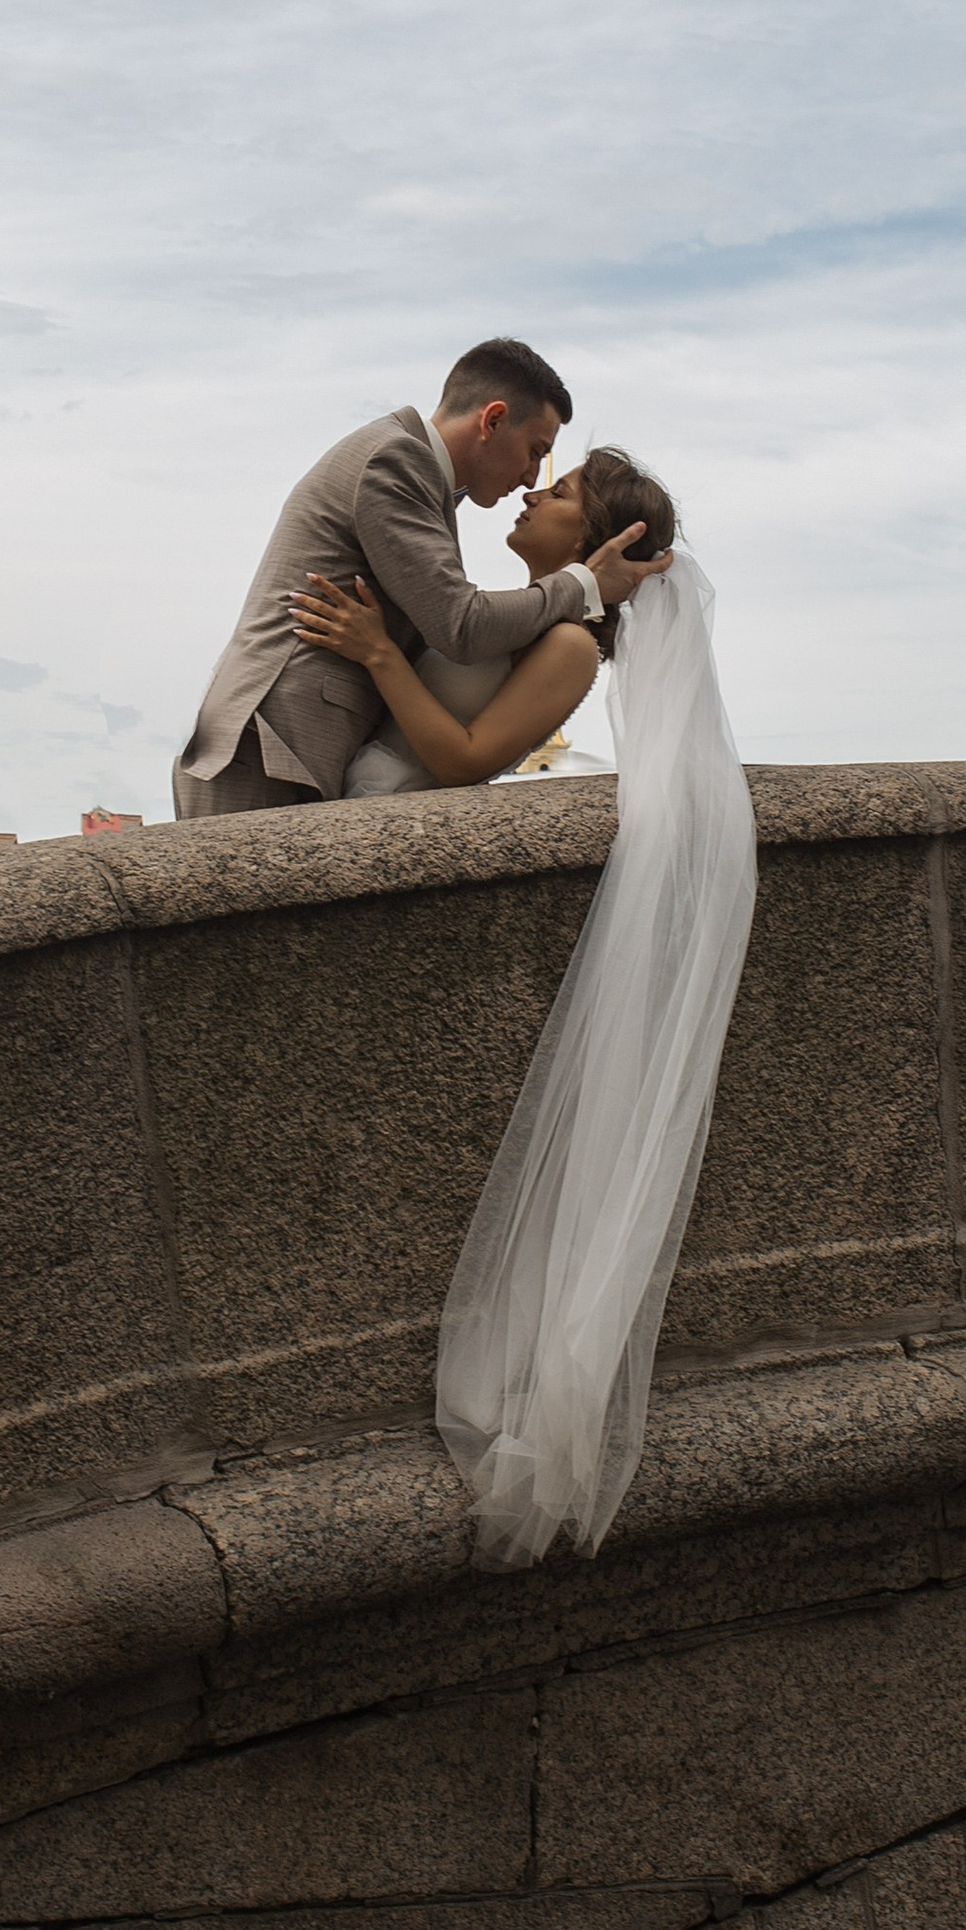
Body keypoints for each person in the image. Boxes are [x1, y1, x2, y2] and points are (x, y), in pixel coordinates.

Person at [302, 446, 757, 1574]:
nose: (527, 497)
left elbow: (458, 760)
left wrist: (370, 652)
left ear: (599, 546)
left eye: (553, 496)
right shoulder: (526, 617)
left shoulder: (563, 642)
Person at [171, 339, 669, 821]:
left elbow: (456, 641)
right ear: (492, 420)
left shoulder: (416, 474)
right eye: (534, 451)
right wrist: (583, 583)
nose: (529, 481)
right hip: (275, 745)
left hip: (307, 756)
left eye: (550, 478)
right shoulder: (398, 461)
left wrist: (381, 653)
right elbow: (461, 626)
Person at [288, 444, 673, 794]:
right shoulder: (502, 617)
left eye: (557, 494)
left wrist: (378, 653)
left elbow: (464, 765)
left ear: (590, 533)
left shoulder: (571, 644)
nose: (531, 495)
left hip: (395, 815)